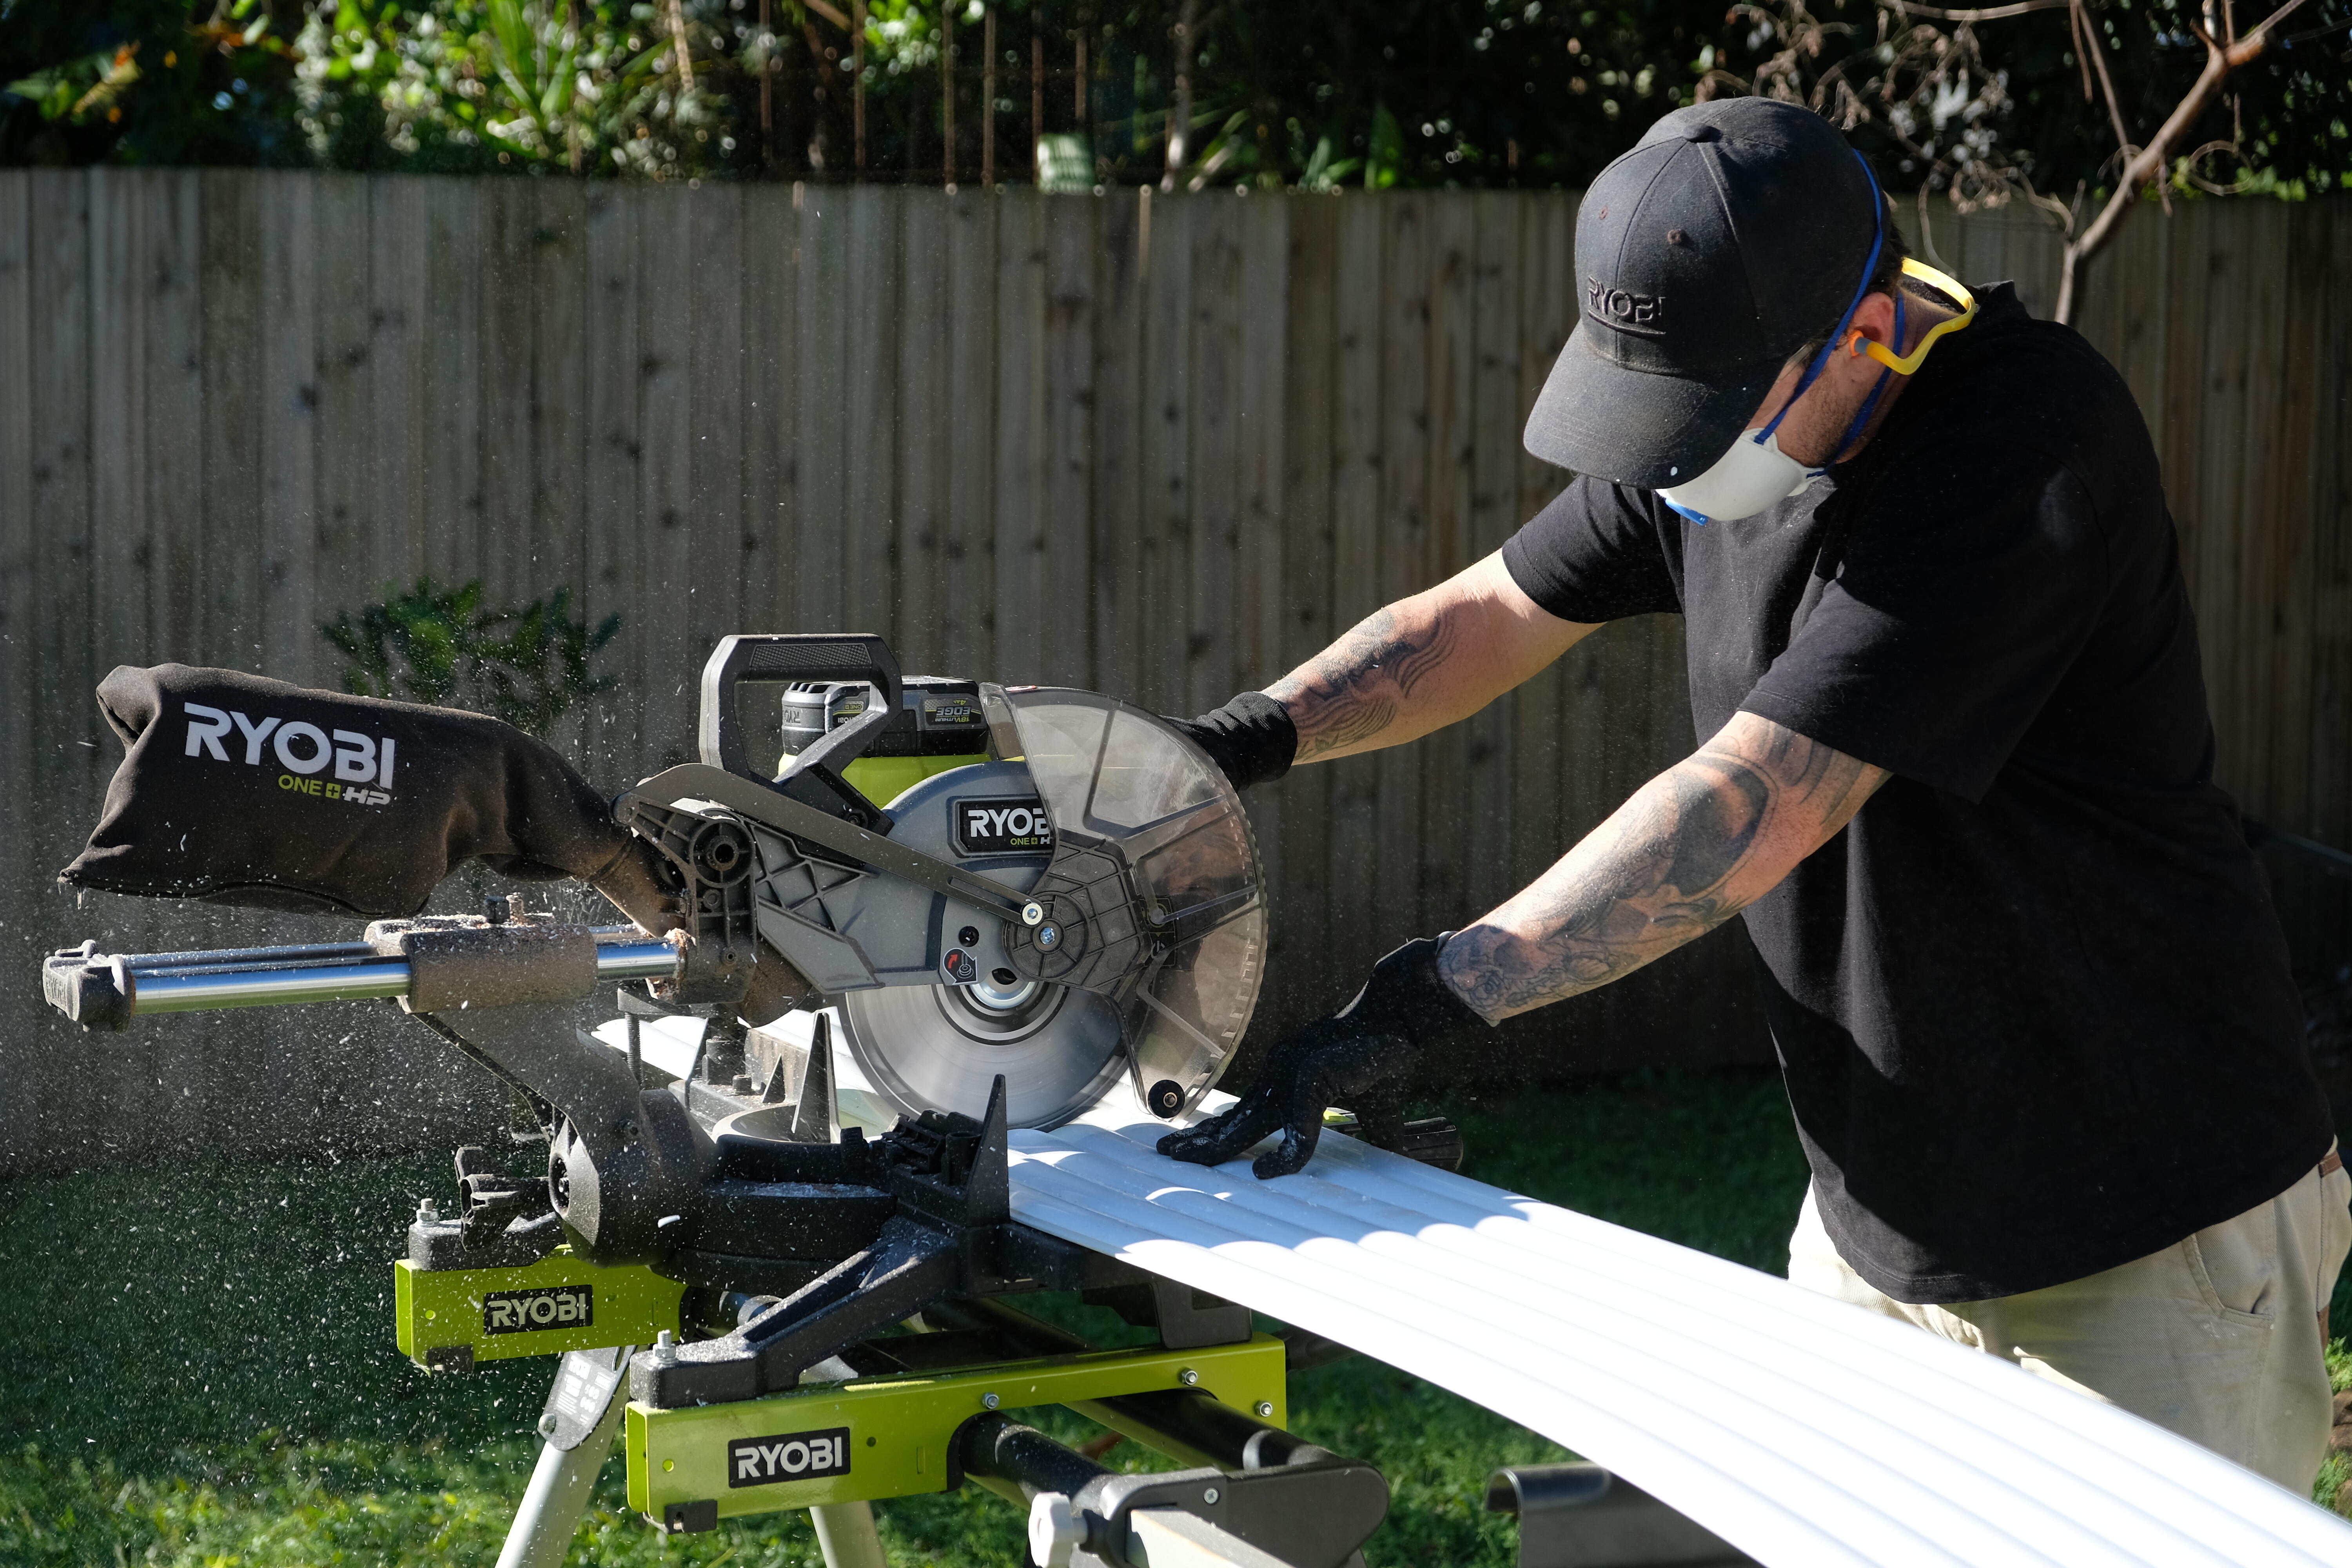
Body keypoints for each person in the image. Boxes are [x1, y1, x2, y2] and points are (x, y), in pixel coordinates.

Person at [1157, 96, 2350, 1492]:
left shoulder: (2025, 444)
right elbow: (1484, 614)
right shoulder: (1720, 424)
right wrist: (1220, 750)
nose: (1664, 457)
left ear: (1860, 335)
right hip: (1874, 1216)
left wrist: (1433, 995)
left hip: (2148, 1238)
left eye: (1695, 421)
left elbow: (1758, 800)